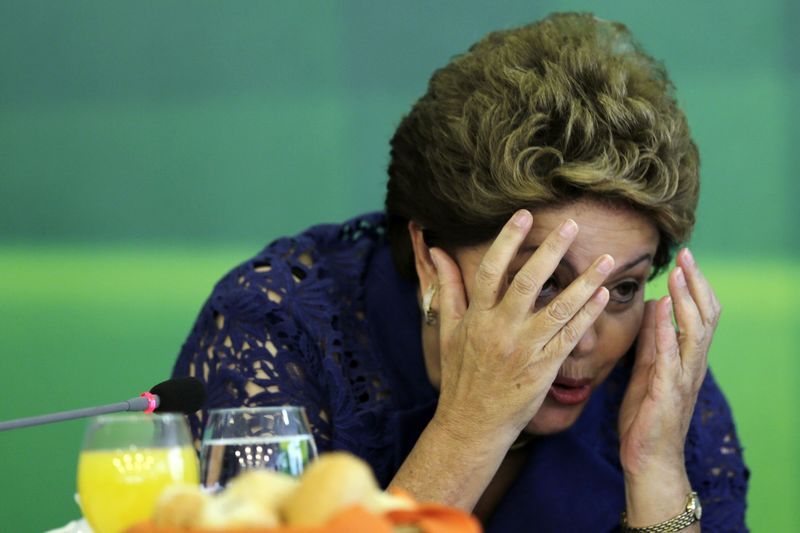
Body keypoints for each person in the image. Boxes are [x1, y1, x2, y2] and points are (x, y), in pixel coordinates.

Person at [173, 12, 748, 532]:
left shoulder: (654, 381)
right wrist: (470, 429)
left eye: (622, 288)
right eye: (544, 283)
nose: (588, 337)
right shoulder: (279, 332)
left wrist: (654, 471)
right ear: (428, 256)